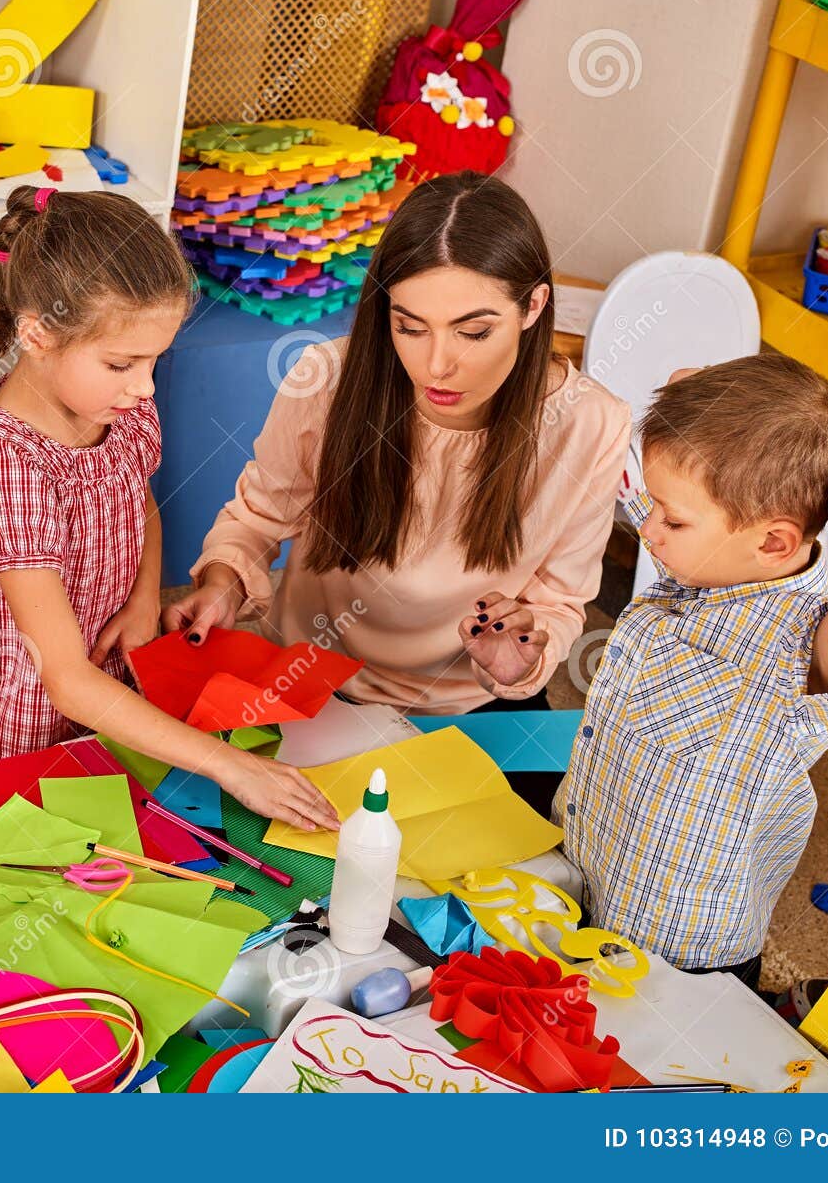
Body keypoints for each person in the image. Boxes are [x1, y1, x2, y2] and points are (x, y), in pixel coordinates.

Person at [166, 171, 629, 813]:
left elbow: (559, 599)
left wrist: (520, 656)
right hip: (309, 683)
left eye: (473, 332)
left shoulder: (590, 423)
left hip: (467, 709)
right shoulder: (326, 379)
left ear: (533, 307)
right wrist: (221, 583)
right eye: (409, 326)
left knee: (531, 883)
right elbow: (255, 518)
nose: (438, 364)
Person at [0, 185, 338, 832]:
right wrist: (231, 767)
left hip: (107, 691)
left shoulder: (117, 405)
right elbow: (62, 679)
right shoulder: (6, 466)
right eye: (122, 362)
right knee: (33, 857)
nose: (145, 385)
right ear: (36, 334)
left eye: (154, 359)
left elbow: (138, 501)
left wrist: (144, 599)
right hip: (22, 724)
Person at [555, 355, 828, 989]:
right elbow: (687, 381)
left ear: (774, 542)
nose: (649, 528)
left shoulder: (807, 646)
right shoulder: (711, 562)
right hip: (584, 863)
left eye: (671, 518)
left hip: (676, 950)